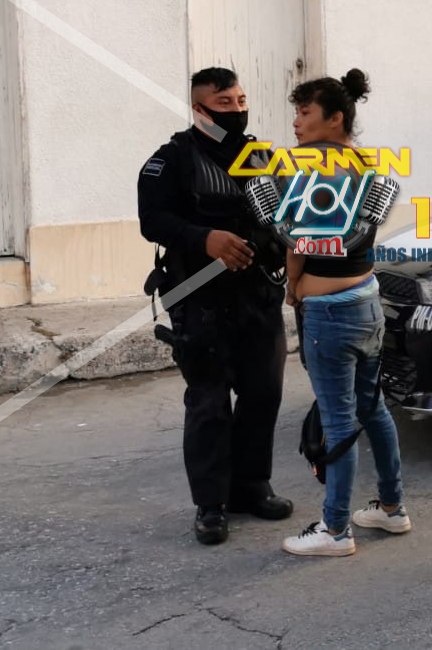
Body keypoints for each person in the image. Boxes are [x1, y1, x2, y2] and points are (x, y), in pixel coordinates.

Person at [136, 67, 294, 546]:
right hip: (200, 299)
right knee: (208, 402)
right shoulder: (171, 160)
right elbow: (152, 220)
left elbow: (292, 213)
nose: (237, 110)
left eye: (241, 100)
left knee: (263, 394)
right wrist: (204, 238)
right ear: (199, 109)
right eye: (224, 103)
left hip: (259, 295)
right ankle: (211, 504)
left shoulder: (264, 157)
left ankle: (253, 486)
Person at [280, 69, 412, 558]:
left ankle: (335, 530)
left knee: (339, 423)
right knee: (372, 408)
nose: (297, 122)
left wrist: (292, 286)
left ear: (334, 118)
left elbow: (299, 241)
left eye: (305, 112)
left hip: (330, 314)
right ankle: (392, 508)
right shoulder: (367, 166)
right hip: (366, 301)